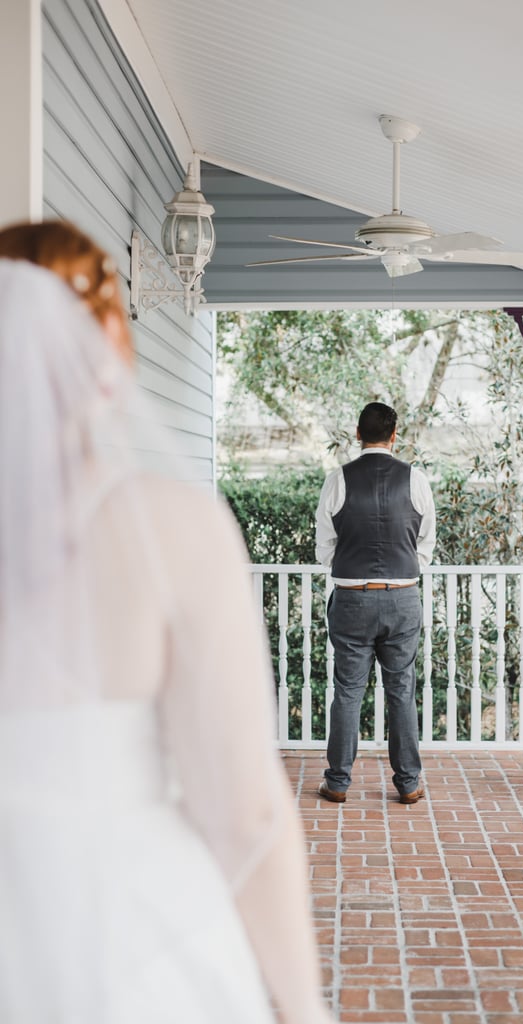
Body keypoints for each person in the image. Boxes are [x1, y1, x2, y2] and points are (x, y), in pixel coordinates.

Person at [0, 221, 335, 1024]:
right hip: (124, 940)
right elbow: (243, 812)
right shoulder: (168, 526)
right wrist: (301, 1007)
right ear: (109, 359)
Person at [315, 402, 436, 805]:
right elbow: (426, 542)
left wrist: (353, 567)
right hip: (403, 599)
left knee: (348, 691)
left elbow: (324, 548)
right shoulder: (415, 479)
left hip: (352, 598)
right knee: (401, 689)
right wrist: (402, 571)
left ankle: (337, 782)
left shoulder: (338, 479)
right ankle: (409, 783)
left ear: (357, 433)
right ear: (394, 435)